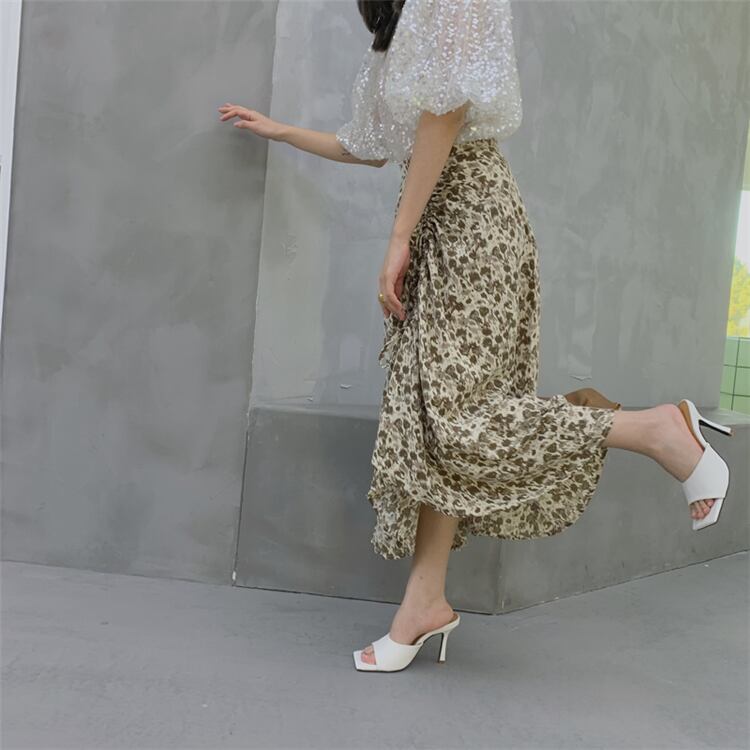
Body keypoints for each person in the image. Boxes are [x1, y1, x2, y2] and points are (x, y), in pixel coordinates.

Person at [218, 0, 732, 673]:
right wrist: (280, 130)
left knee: (459, 419)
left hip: (473, 224)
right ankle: (423, 603)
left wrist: (398, 238)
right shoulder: (400, 24)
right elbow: (372, 146)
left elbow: (449, 110)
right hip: (438, 228)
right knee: (437, 424)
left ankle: (655, 429)